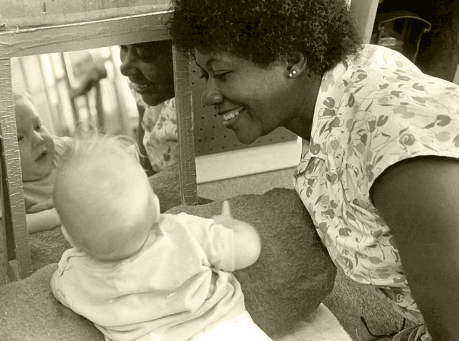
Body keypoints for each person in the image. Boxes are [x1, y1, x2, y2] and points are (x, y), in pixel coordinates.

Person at [169, 0, 459, 340]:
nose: (207, 95)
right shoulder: (352, 78)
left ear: (292, 60)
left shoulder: (395, 144)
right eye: (205, 76)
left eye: (222, 74)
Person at [51, 133, 272, 341]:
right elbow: (247, 249)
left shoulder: (74, 276)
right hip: (225, 328)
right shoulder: (181, 230)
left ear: (68, 236)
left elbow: (58, 288)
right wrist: (227, 224)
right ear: (156, 207)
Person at [1, 90, 71, 234]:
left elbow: (94, 153)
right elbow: (11, 229)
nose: (38, 139)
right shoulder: (7, 193)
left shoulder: (61, 151)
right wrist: (57, 215)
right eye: (19, 138)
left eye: (37, 126)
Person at [119, 40, 177, 176]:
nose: (124, 68)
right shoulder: (145, 86)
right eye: (123, 47)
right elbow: (144, 132)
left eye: (145, 53)